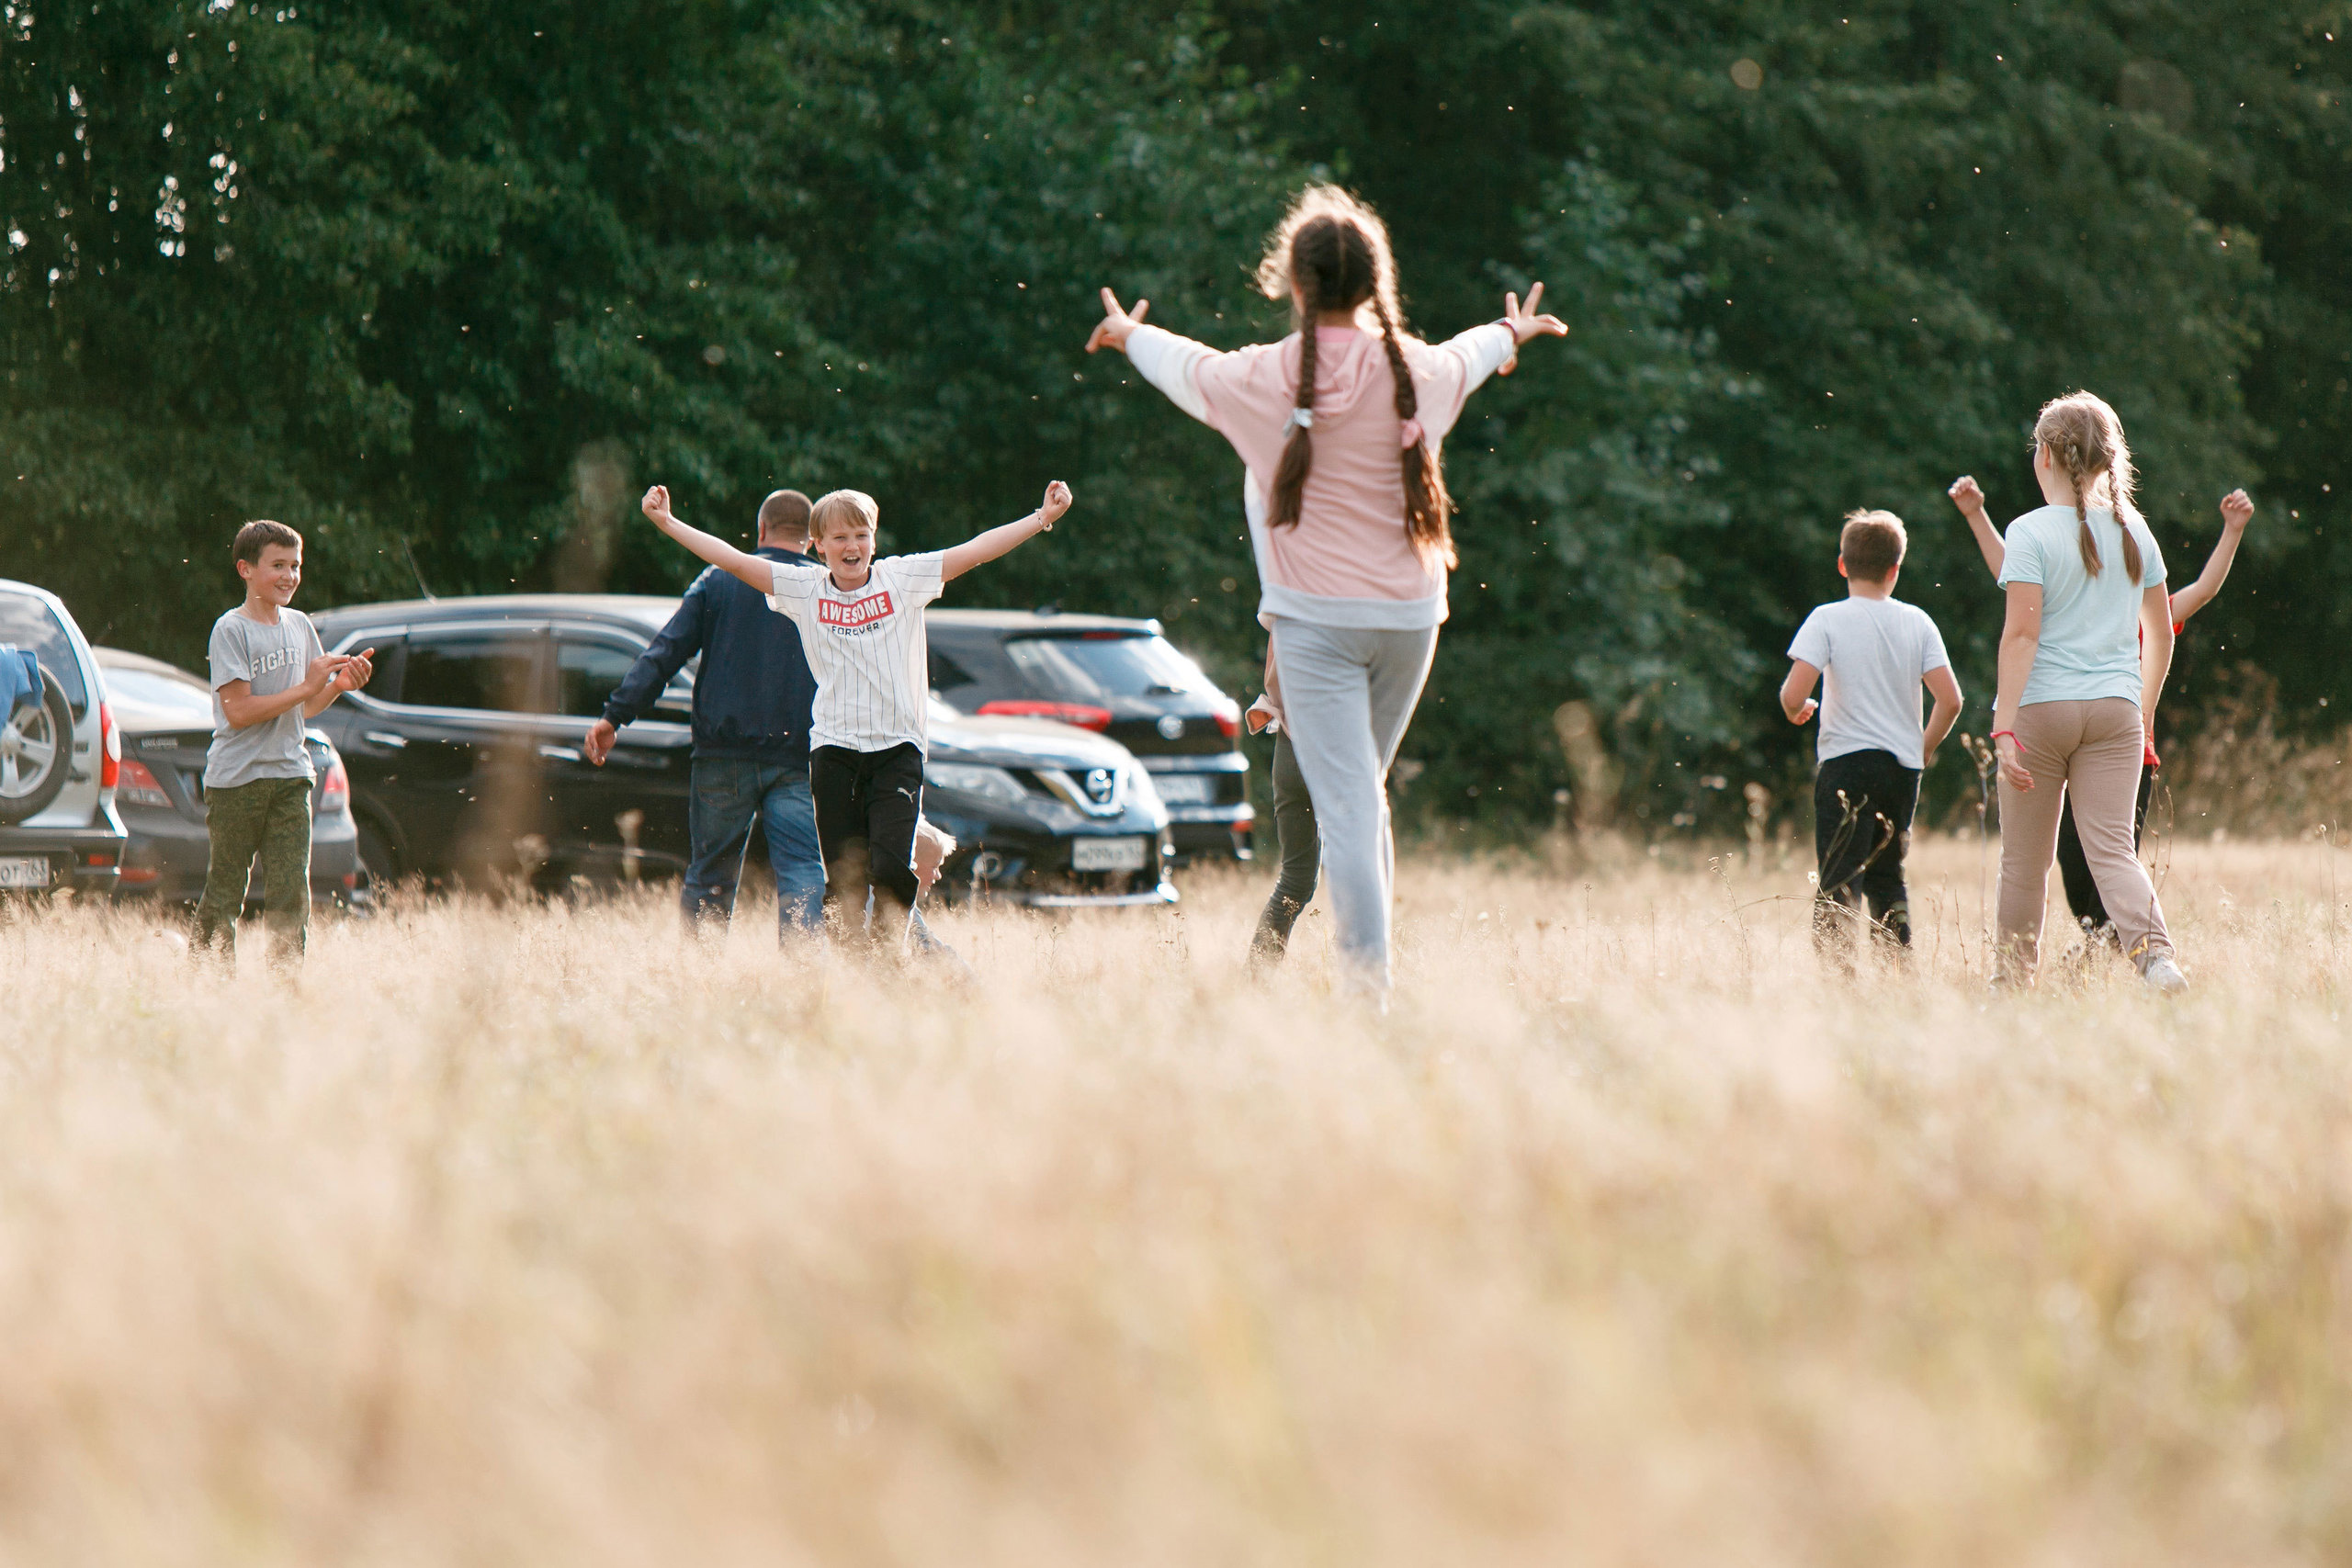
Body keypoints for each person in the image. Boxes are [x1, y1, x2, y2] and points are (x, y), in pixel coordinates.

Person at [1086, 183, 1566, 997]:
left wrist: (1128, 332)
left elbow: (1180, 363)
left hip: (1317, 628)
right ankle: (1370, 985)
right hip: (1413, 617)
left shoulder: (1257, 377)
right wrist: (1510, 329)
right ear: (1376, 281)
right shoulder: (1420, 371)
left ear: (1291, 283)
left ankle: (1364, 998)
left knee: (1347, 806)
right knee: (1360, 798)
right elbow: (1472, 352)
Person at [635, 479, 1074, 953]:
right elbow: (735, 560)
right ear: (817, 545)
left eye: (861, 535)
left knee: (889, 868)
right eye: (840, 537)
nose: (852, 546)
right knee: (844, 881)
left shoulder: (903, 579)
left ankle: (887, 962)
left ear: (874, 540)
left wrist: (1041, 518)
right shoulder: (803, 589)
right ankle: (852, 969)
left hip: (897, 751)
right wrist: (668, 522)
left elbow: (977, 550)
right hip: (835, 753)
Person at [1951, 473, 2254, 938]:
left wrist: (2232, 531)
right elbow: (2010, 572)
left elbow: (2204, 589)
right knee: (2077, 869)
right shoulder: (2078, 597)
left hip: (2126, 751)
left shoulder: (2144, 611)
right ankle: (2106, 944)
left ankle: (2116, 945)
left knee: (2106, 863)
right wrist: (1976, 516)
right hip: (2078, 741)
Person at [1985, 391, 2186, 992]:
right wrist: (2141, 705)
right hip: (2116, 713)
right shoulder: (2137, 533)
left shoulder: (2028, 532)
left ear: (2044, 454)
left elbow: (2021, 633)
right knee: (2113, 852)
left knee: (2024, 863)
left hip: (2040, 712)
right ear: (2108, 460)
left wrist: (2003, 726)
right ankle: (2158, 961)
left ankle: (2010, 986)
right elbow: (2160, 633)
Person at [586, 489, 827, 934]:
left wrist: (614, 716)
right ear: (811, 540)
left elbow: (664, 653)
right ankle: (807, 979)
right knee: (804, 876)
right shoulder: (824, 588)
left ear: (760, 531)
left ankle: (700, 977)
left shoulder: (717, 581)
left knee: (711, 877)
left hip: (722, 755)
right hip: (799, 759)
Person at [1779, 511, 1963, 957]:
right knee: (1887, 876)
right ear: (1895, 569)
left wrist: (1798, 709)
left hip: (1846, 766)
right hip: (1901, 770)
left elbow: (1793, 692)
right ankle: (1895, 971)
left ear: (1842, 564)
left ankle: (1838, 979)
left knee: (1840, 876)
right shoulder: (1917, 622)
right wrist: (1920, 749)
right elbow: (1951, 700)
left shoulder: (1826, 619)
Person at [194, 520, 374, 970]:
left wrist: (338, 686)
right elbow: (238, 711)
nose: (290, 576)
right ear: (246, 569)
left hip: (292, 776)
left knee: (291, 894)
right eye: (278, 565)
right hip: (237, 781)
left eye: (295, 565)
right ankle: (206, 985)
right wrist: (309, 684)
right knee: (226, 892)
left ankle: (284, 991)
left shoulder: (299, 626)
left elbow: (306, 708)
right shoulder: (230, 630)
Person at [1243, 640, 1320, 967]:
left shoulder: (1288, 591)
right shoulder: (1357, 596)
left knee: (1295, 879)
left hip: (1289, 745)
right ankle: (1361, 984)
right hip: (1338, 743)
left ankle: (1256, 981)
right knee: (1359, 870)